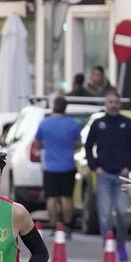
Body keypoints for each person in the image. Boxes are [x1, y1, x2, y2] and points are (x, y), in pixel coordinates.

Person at [84, 92, 131, 243]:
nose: (113, 105)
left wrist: (129, 166)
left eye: (115, 102)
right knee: (105, 214)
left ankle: (120, 244)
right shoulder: (98, 124)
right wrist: (94, 167)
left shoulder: (128, 124)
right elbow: (88, 147)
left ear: (120, 104)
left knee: (121, 212)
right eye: (110, 102)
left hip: (122, 175)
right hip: (104, 175)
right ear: (105, 104)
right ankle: (107, 247)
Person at [33, 96, 82, 233]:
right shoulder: (72, 124)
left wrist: (48, 145)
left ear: (54, 106)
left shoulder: (45, 123)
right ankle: (67, 226)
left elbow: (38, 143)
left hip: (50, 167)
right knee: (67, 197)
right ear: (65, 108)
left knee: (51, 197)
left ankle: (55, 225)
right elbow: (78, 144)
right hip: (67, 165)